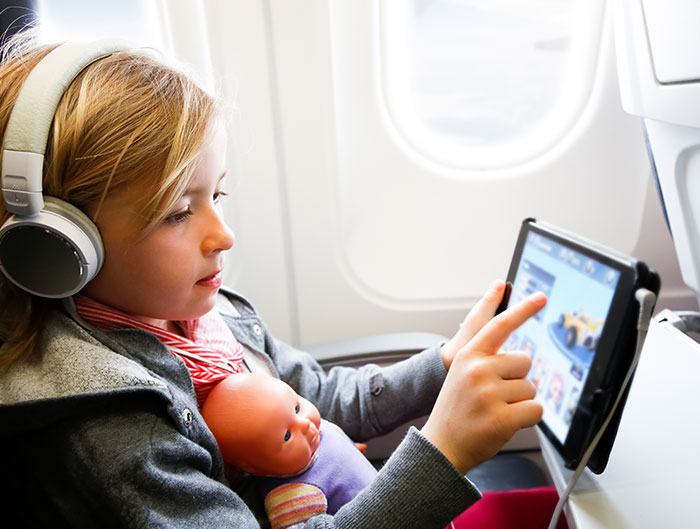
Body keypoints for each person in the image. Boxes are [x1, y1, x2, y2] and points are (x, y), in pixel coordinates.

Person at [0, 35, 546, 528]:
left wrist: (446, 362)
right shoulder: (112, 426)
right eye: (175, 213)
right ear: (58, 245)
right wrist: (443, 455)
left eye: (218, 195)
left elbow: (323, 398)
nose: (224, 235)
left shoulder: (207, 323)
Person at [201, 373, 378, 528]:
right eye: (287, 436)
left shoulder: (315, 428)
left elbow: (337, 442)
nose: (305, 424)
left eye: (297, 408)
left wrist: (351, 449)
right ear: (256, 469)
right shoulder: (294, 498)